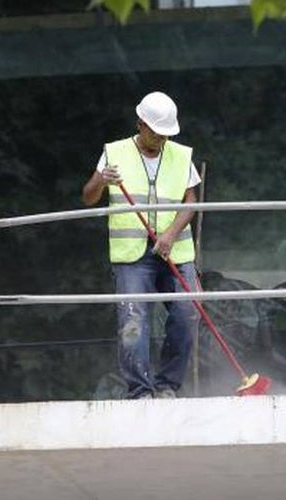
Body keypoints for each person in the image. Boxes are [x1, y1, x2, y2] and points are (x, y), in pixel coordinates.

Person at [82, 91, 202, 399]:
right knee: (133, 320)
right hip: (133, 255)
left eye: (166, 134)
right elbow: (88, 197)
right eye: (156, 133)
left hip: (175, 249)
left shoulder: (181, 155)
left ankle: (167, 386)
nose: (161, 139)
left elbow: (191, 202)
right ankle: (140, 391)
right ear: (140, 124)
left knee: (188, 312)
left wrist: (171, 234)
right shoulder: (114, 153)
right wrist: (101, 181)